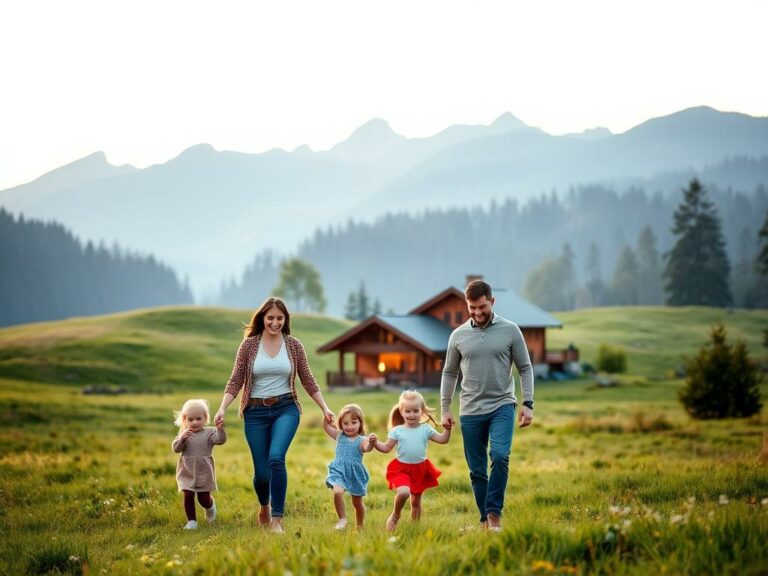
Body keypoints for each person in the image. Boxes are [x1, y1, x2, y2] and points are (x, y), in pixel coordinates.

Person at [214, 296, 335, 534]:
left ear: (285, 320)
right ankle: (264, 505)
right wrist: (222, 407)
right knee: (261, 475)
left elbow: (308, 379)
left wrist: (325, 407)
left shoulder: (294, 345)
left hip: (286, 408)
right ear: (262, 318)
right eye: (271, 318)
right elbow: (236, 379)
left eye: (280, 318)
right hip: (255, 412)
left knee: (276, 458)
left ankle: (277, 520)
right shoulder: (249, 346)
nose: (275, 322)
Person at [441, 279, 534, 532]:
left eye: (482, 307)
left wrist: (528, 403)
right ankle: (485, 520)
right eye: (472, 308)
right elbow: (449, 373)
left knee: (501, 456)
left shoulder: (511, 330)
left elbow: (525, 368)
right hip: (470, 410)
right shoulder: (457, 336)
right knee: (477, 471)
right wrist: (445, 408)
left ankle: (494, 514)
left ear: (492, 301)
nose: (478, 313)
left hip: (502, 404)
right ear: (466, 305)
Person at [372, 390, 451, 531]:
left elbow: (443, 440)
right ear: (401, 412)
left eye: (415, 411)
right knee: (403, 492)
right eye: (407, 411)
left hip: (420, 469)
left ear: (422, 412)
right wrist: (375, 442)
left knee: (416, 502)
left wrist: (447, 430)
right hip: (401, 469)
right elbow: (385, 448)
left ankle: (415, 529)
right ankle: (396, 515)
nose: (412, 414)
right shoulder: (397, 431)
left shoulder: (426, 429)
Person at [172, 398, 227, 530]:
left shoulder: (209, 433)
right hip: (187, 471)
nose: (195, 422)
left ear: (205, 418)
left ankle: (210, 506)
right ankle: (192, 521)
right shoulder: (184, 434)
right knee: (188, 495)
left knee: (203, 499)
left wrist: (220, 429)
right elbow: (176, 449)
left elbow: (220, 440)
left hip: (204, 472)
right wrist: (181, 439)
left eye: (198, 418)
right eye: (190, 419)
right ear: (185, 420)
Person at [322, 403, 375, 530]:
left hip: (354, 473)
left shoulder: (362, 440)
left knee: (357, 503)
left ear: (360, 423)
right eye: (345, 423)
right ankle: (342, 519)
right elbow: (326, 428)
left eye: (353, 422)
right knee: (337, 492)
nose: (349, 426)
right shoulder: (339, 436)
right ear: (341, 424)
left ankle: (360, 526)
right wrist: (325, 420)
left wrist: (372, 443)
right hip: (339, 470)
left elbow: (367, 448)